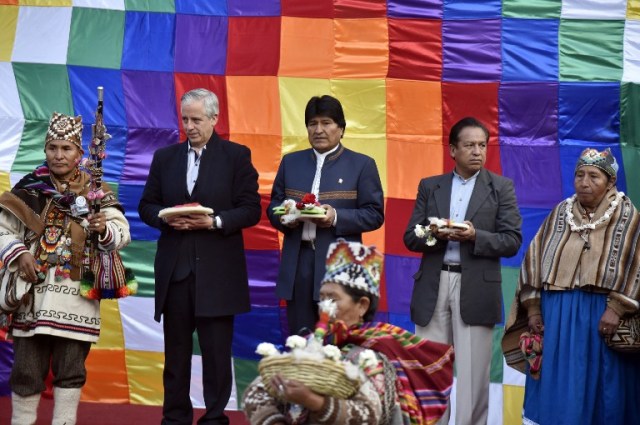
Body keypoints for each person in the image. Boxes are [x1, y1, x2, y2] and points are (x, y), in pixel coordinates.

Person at [138, 88, 261, 425]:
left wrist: (216, 221)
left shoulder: (236, 156)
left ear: (214, 118)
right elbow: (146, 206)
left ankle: (215, 417)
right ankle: (175, 418)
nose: (189, 126)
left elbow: (251, 209)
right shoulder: (165, 157)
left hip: (218, 274)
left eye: (196, 119)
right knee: (175, 355)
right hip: (175, 272)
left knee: (217, 355)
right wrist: (167, 216)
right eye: (185, 119)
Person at [0, 112, 131, 425]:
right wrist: (19, 255)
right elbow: (3, 230)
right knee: (26, 371)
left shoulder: (96, 190)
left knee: (71, 370)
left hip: (77, 296)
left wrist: (102, 229)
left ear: (80, 153)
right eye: (53, 148)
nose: (58, 155)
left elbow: (121, 234)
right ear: (45, 150)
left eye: (66, 148)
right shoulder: (29, 187)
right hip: (33, 294)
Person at [243, 239, 455, 424]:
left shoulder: (374, 353)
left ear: (362, 305)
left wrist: (313, 401)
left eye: (333, 298)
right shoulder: (309, 344)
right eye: (322, 297)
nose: (324, 305)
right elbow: (255, 392)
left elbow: (369, 415)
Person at [502, 148, 640, 424]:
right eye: (579, 175)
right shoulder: (560, 213)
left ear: (610, 181)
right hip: (557, 319)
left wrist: (617, 308)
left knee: (602, 387)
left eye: (593, 176)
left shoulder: (627, 215)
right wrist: (533, 310)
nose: (584, 182)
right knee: (559, 382)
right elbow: (534, 259)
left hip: (601, 319)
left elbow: (636, 266)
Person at [403, 117, 522, 425]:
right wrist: (434, 233)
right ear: (453, 150)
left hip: (476, 289)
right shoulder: (431, 186)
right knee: (431, 373)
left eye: (482, 145)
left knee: (473, 378)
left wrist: (474, 236)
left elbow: (512, 241)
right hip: (433, 284)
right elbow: (410, 237)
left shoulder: (501, 188)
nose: (477, 151)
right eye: (469, 145)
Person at [267, 95, 384, 336]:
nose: (319, 130)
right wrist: (286, 216)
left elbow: (374, 214)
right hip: (298, 262)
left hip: (339, 267)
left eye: (327, 122)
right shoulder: (291, 162)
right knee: (299, 341)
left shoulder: (362, 165)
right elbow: (273, 207)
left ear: (341, 128)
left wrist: (336, 217)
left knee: (336, 344)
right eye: (312, 123)